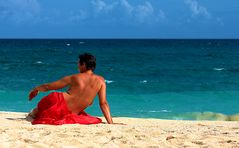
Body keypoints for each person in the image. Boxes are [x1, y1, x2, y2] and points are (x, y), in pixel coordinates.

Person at [28, 53, 113, 125]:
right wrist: (111, 122)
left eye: (78, 64)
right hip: (71, 112)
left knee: (36, 113)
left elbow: (48, 87)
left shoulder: (74, 77)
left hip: (57, 101)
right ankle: (34, 112)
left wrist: (36, 89)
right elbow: (103, 103)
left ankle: (33, 112)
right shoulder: (101, 81)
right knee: (41, 113)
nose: (78, 66)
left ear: (83, 64)